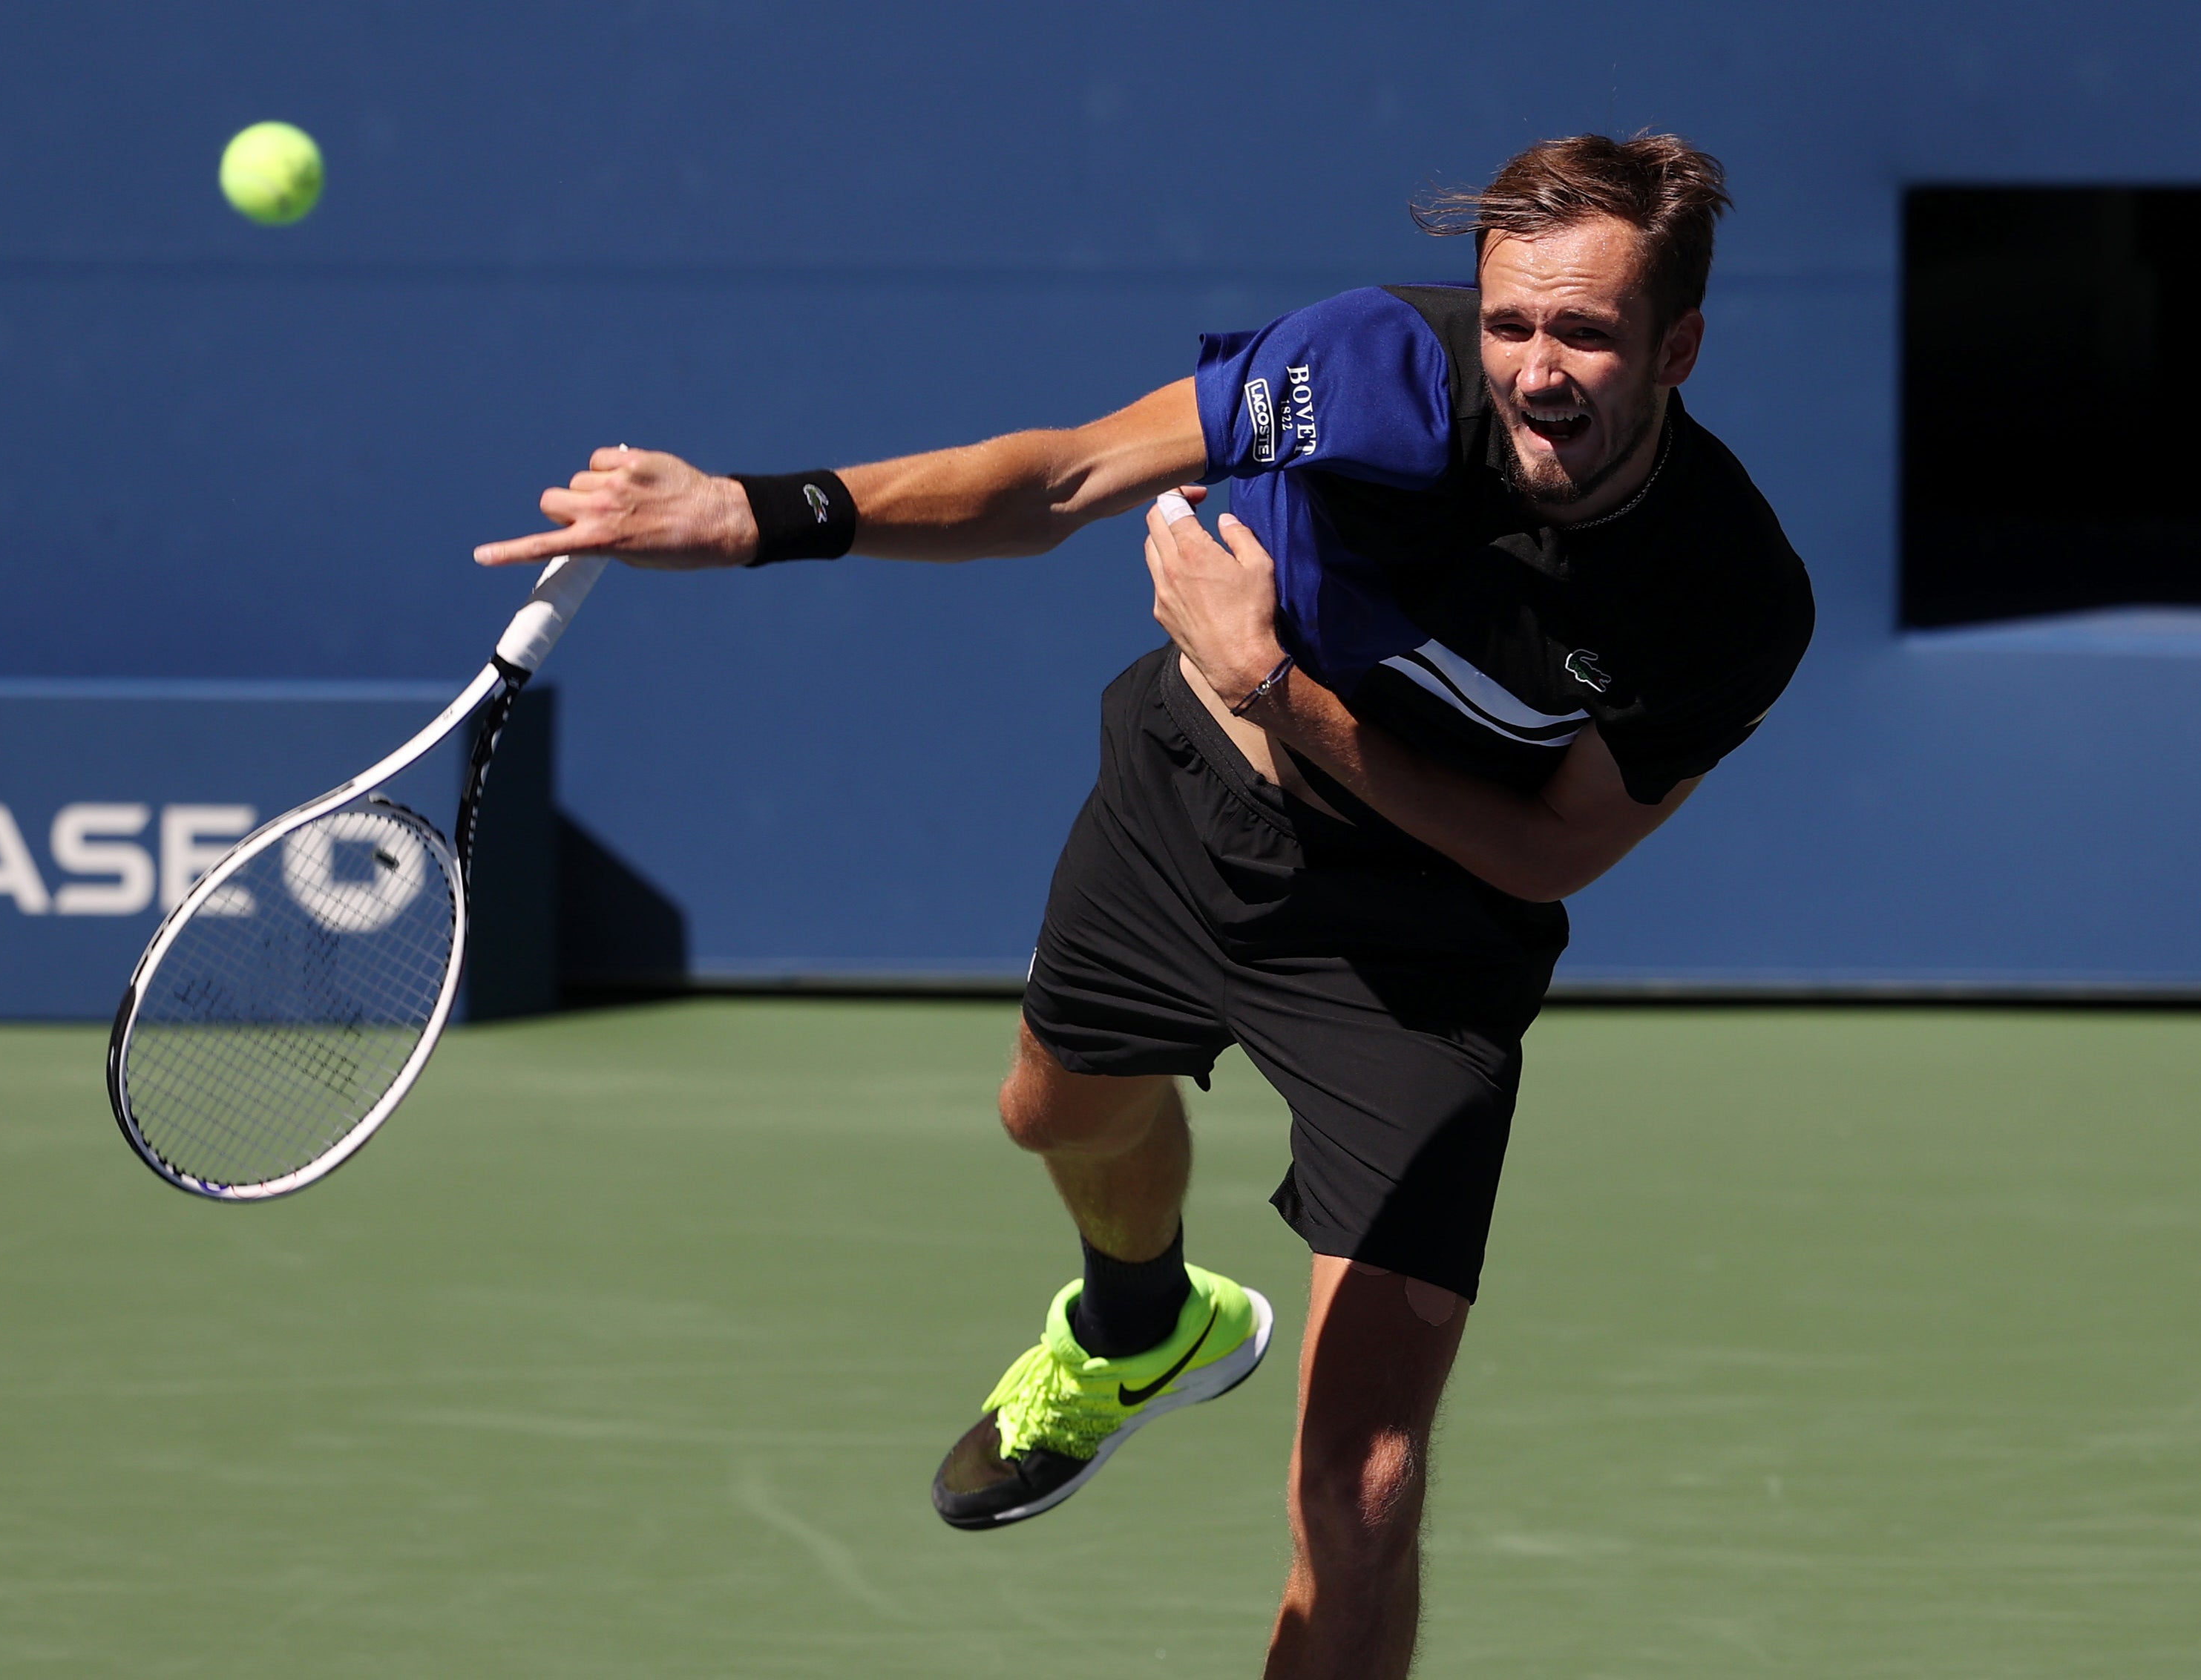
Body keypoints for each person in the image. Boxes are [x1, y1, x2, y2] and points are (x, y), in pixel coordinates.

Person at [476, 133, 1814, 1680]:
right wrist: (759, 512)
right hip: (1188, 806)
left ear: (1678, 347)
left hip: (1427, 946)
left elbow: (1541, 856)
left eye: (1582, 332)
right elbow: (1060, 477)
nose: (1533, 369)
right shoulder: (1365, 368)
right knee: (1050, 1114)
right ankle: (1138, 1322)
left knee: (1362, 1484)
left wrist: (1274, 682)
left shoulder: (1726, 593)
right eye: (1510, 323)